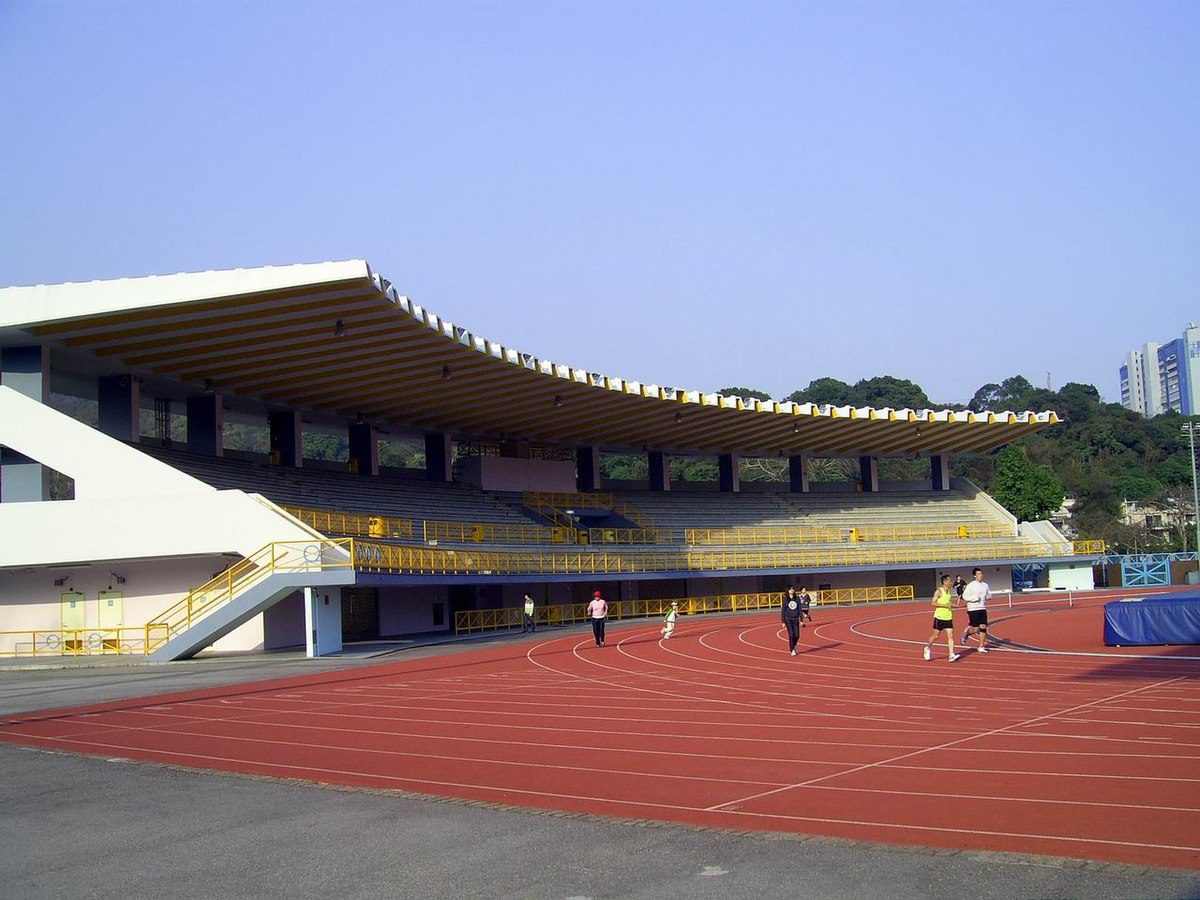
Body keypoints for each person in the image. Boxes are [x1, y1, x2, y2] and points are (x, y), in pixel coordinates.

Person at [923, 573, 960, 662]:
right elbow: (933, 603)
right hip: (939, 617)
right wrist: (945, 605)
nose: (951, 583)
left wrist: (952, 605)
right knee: (936, 636)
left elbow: (948, 603)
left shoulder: (949, 592)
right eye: (950, 581)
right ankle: (927, 648)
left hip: (948, 617)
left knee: (950, 635)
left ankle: (951, 655)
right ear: (944, 582)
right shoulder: (939, 591)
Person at [961, 566, 991, 652]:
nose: (980, 575)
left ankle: (981, 646)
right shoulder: (971, 585)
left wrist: (988, 597)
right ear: (975, 576)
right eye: (978, 574)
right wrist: (974, 599)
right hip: (973, 609)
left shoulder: (985, 585)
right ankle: (967, 633)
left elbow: (989, 594)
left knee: (983, 626)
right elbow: (965, 596)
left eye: (981, 573)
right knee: (975, 629)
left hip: (982, 608)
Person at [782, 586, 802, 656]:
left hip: (795, 619)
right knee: (791, 635)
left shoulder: (797, 598)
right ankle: (792, 649)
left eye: (793, 589)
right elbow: (783, 610)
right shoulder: (785, 599)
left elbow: (800, 609)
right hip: (788, 619)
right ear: (788, 591)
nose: (792, 590)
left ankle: (794, 644)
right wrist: (783, 621)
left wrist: (801, 620)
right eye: (790, 589)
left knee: (797, 635)